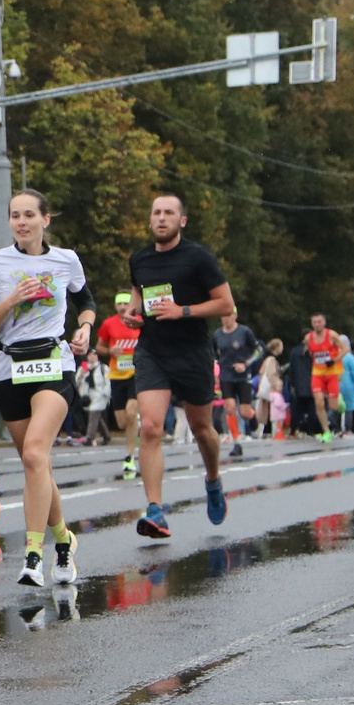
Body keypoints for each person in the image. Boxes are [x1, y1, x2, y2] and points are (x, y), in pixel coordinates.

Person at [0, 188, 92, 585]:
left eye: (28, 215)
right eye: (15, 215)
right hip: (11, 368)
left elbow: (86, 302)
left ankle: (33, 556)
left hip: (54, 364)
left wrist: (85, 328)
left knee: (35, 454)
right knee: (36, 464)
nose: (21, 222)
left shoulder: (66, 260)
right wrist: (10, 301)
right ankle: (64, 541)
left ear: (46, 219)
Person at [127, 193, 232, 538]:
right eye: (156, 212)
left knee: (202, 430)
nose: (161, 217)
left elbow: (226, 304)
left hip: (192, 352)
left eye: (169, 213)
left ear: (182, 220)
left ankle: (213, 480)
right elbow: (138, 294)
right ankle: (156, 510)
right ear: (150, 219)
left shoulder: (198, 257)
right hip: (152, 351)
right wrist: (132, 313)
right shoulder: (139, 259)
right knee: (151, 427)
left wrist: (182, 311)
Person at [95, 290, 144, 479]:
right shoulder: (109, 324)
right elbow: (99, 346)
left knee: (131, 412)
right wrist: (110, 351)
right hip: (116, 375)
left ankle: (129, 456)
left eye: (126, 303)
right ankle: (135, 422)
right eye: (119, 304)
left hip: (137, 373)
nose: (123, 307)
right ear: (115, 306)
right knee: (122, 421)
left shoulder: (139, 321)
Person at [213, 311, 259, 459]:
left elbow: (259, 350)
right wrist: (217, 371)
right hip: (226, 375)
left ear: (235, 316)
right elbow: (213, 353)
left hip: (243, 376)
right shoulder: (217, 334)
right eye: (223, 316)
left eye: (228, 316)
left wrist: (245, 364)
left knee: (244, 412)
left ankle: (252, 415)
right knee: (230, 407)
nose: (225, 319)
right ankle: (237, 442)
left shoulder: (244, 332)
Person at [301, 314, 342, 446]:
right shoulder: (308, 338)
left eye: (319, 322)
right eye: (314, 322)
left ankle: (340, 403)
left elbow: (346, 349)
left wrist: (334, 360)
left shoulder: (332, 335)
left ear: (324, 322)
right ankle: (326, 431)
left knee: (333, 406)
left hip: (332, 373)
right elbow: (309, 352)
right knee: (318, 402)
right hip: (317, 374)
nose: (317, 324)